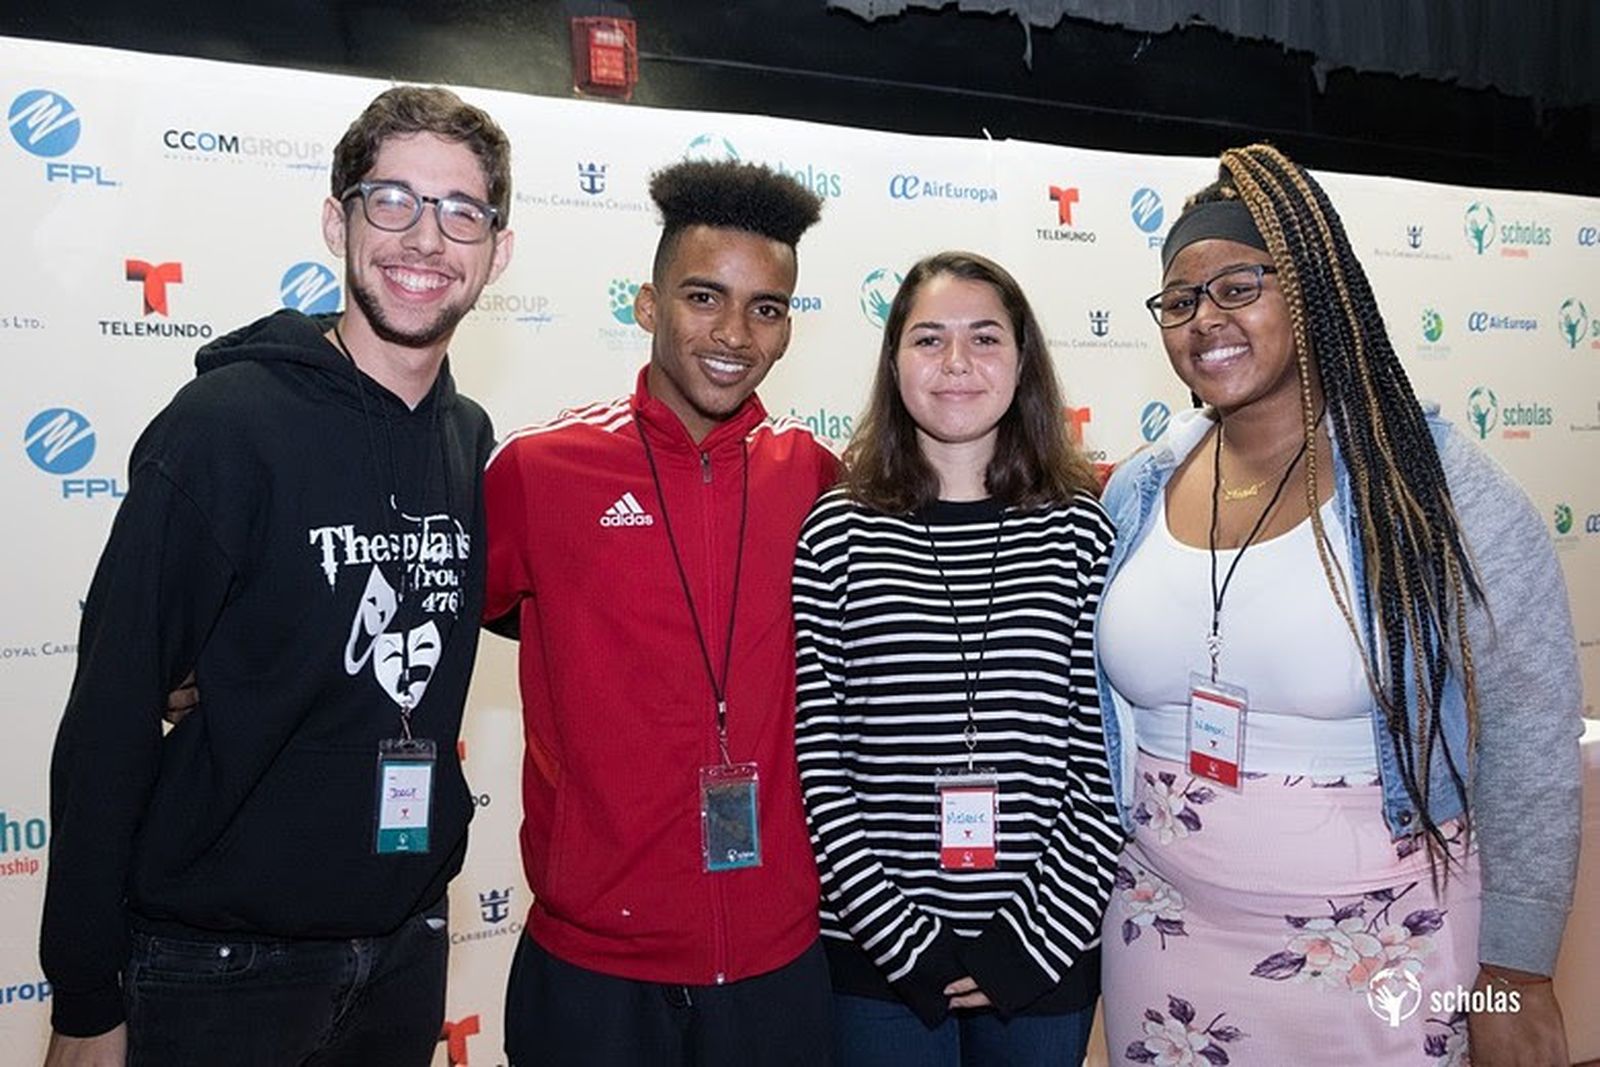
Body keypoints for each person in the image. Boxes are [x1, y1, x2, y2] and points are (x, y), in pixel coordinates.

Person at [40, 85, 514, 1067]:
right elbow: (114, 711)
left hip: (403, 948)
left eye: (460, 211)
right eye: (393, 200)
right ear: (337, 219)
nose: (425, 239)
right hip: (224, 967)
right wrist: (85, 997)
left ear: (496, 251)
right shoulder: (226, 426)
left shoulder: (466, 440)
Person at [1095, 143, 1582, 1067]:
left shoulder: (1431, 489)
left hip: (1383, 957)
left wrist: (1516, 971)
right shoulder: (1140, 487)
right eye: (1181, 299)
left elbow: (1528, 728)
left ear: (1314, 290)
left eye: (1240, 286)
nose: (1207, 319)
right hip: (1163, 945)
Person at [483, 159, 836, 1067]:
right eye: (703, 297)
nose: (734, 334)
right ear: (647, 305)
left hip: (778, 962)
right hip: (594, 969)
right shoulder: (542, 471)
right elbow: (418, 615)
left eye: (767, 307)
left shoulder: (823, 483)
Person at [792, 251, 1122, 1067]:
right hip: (876, 962)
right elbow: (821, 761)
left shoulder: (1082, 532)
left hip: (1046, 957)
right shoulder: (836, 532)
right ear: (895, 361)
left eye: (985, 338)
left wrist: (1035, 940)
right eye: (928, 339)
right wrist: (902, 939)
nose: (957, 364)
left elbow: (1105, 763)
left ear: (1023, 361)